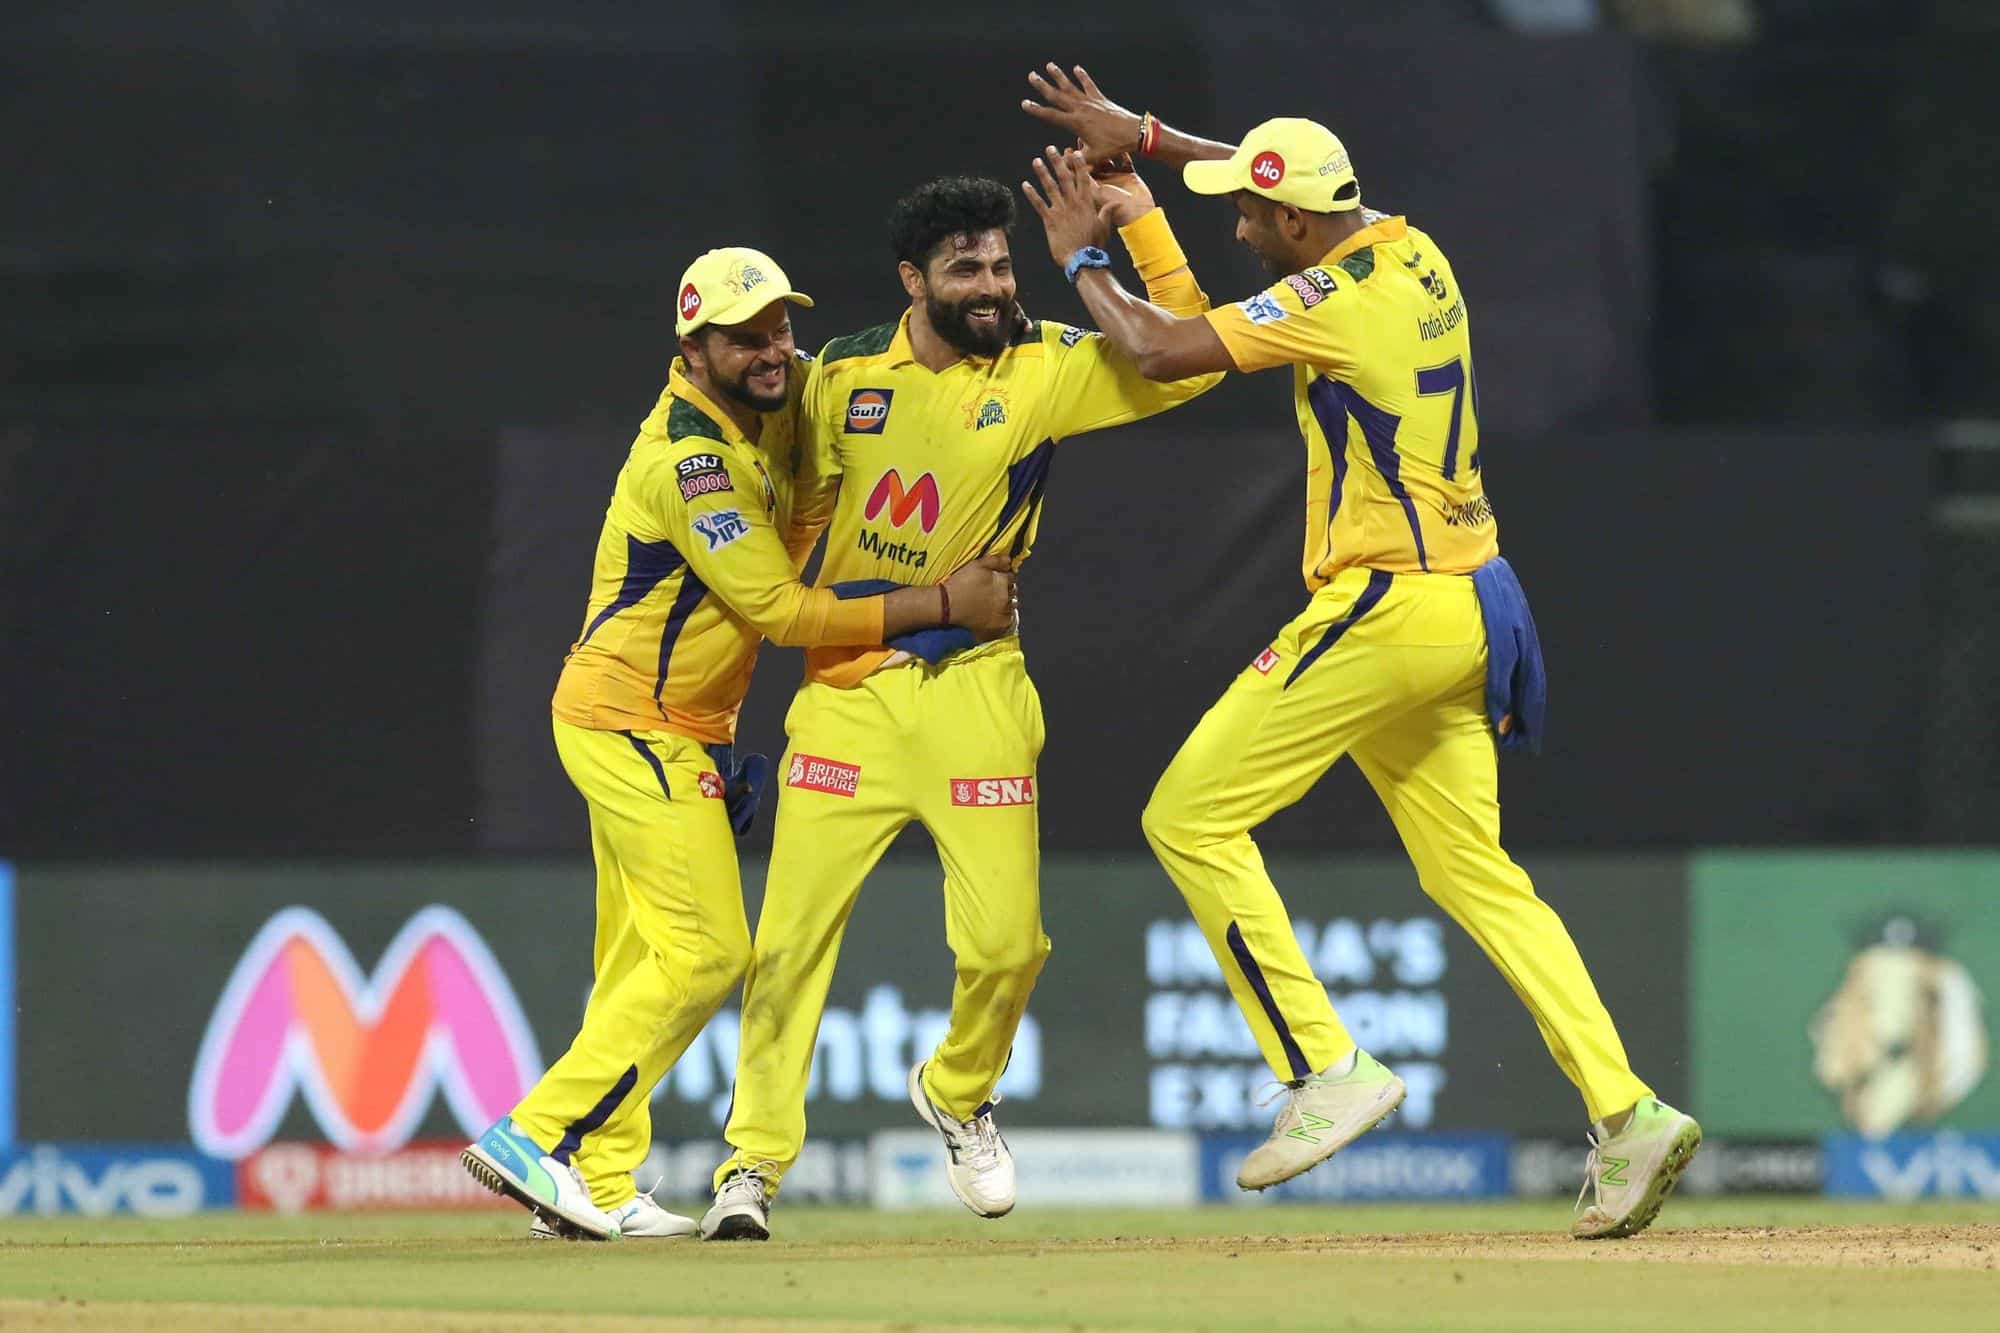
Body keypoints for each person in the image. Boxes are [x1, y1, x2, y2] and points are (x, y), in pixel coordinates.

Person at [1020, 65, 1700, 1240]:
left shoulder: (1334, 299)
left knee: (1187, 816)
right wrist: (1147, 147)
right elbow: (1258, 172)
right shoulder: (1408, 247)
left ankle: (1323, 1064)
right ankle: (1625, 1109)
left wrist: (1085, 250)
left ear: (1295, 221)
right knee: (1475, 875)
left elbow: (1159, 350)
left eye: (1245, 212)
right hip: (1473, 602)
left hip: (1384, 608)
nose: (1233, 224)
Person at [701, 175, 1223, 1241]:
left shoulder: (1045, 366)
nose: (992, 288)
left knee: (1006, 946)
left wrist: (1136, 223)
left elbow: (1195, 356)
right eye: (966, 270)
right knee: (788, 943)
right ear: (913, 281)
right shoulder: (833, 374)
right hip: (846, 695)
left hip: (978, 687)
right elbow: (741, 481)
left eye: (1000, 264)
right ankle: (748, 1167)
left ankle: (956, 1087)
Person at [460, 246, 1016, 1241]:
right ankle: (534, 1135)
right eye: (743, 336)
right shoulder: (693, 459)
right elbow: (777, 605)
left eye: (778, 329)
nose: (771, 350)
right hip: (632, 724)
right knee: (711, 948)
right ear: (692, 345)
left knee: (636, 956)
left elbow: (806, 489)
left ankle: (593, 1175)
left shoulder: (748, 427)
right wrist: (941, 602)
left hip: (667, 727)